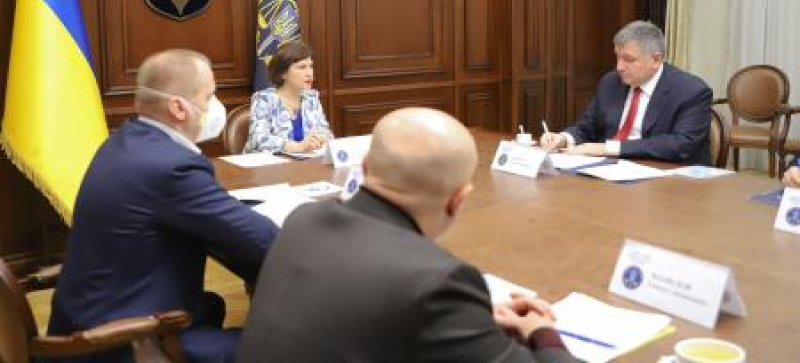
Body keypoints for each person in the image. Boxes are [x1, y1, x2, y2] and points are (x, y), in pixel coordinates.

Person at [237, 108, 577, 363]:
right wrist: (542, 331)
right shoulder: (438, 281)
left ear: (365, 167)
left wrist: (471, 319)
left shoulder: (302, 220)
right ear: (458, 200)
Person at [48, 49, 279, 363]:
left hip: (86, 317)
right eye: (209, 96)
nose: (215, 106)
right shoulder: (171, 167)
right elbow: (264, 240)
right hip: (118, 344)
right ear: (178, 108)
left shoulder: (124, 141)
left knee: (212, 305)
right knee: (284, 346)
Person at [540, 20, 712, 164]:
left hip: (668, 178)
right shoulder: (611, 82)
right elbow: (587, 127)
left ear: (656, 59)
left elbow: (680, 144)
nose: (619, 67)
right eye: (617, 57)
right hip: (610, 171)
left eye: (628, 59)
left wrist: (608, 148)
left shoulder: (691, 91)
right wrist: (563, 138)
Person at [244, 40, 332, 154]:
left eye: (311, 66)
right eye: (302, 67)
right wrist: (297, 147)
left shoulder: (311, 98)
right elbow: (257, 140)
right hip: (269, 164)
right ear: (283, 73)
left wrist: (320, 138)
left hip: (305, 161)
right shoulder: (264, 99)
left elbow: (326, 132)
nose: (309, 73)